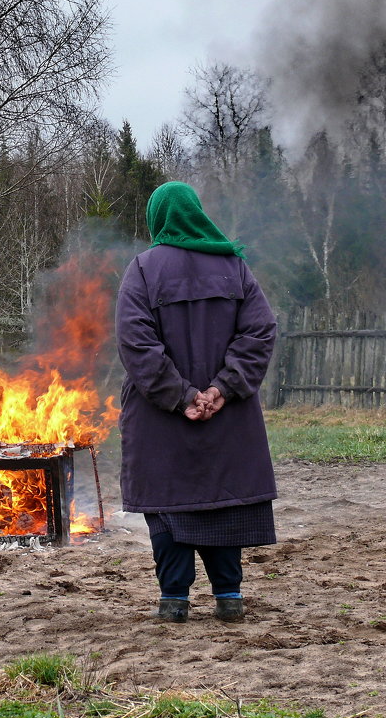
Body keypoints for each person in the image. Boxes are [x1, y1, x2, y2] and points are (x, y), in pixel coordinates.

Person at [115, 181, 278, 624]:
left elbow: (136, 343)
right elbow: (260, 332)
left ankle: (174, 600)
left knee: (167, 503)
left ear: (158, 218)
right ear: (196, 213)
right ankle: (229, 596)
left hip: (160, 418)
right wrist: (223, 388)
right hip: (229, 416)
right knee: (222, 500)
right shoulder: (235, 267)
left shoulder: (144, 269)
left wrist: (182, 396)